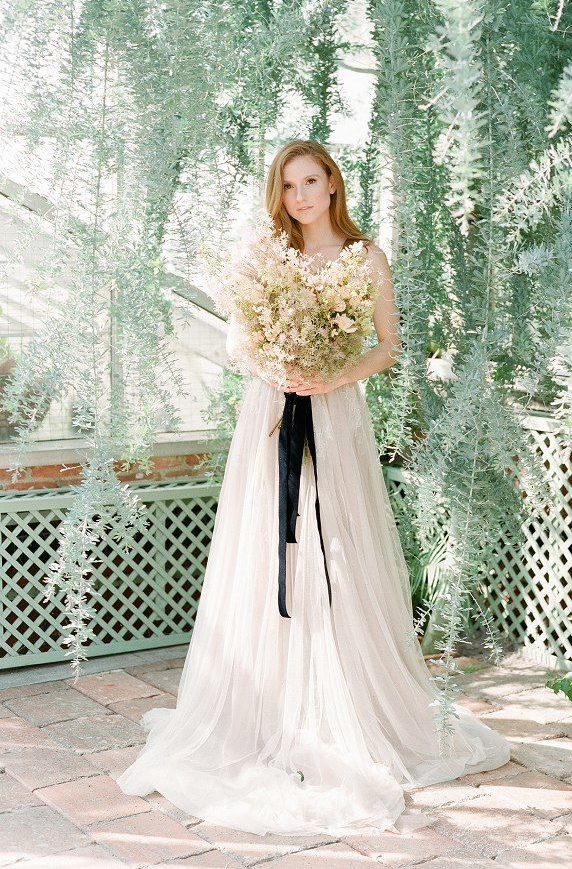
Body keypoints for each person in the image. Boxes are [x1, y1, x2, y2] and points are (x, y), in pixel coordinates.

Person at [116, 139, 510, 837]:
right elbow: (238, 341)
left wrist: (329, 375)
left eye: (309, 182)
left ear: (332, 184)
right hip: (271, 411)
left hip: (333, 414)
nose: (298, 197)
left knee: (335, 543)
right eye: (287, 185)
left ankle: (342, 703)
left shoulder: (364, 257)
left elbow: (387, 345)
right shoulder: (268, 255)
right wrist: (275, 361)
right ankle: (265, 705)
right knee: (269, 540)